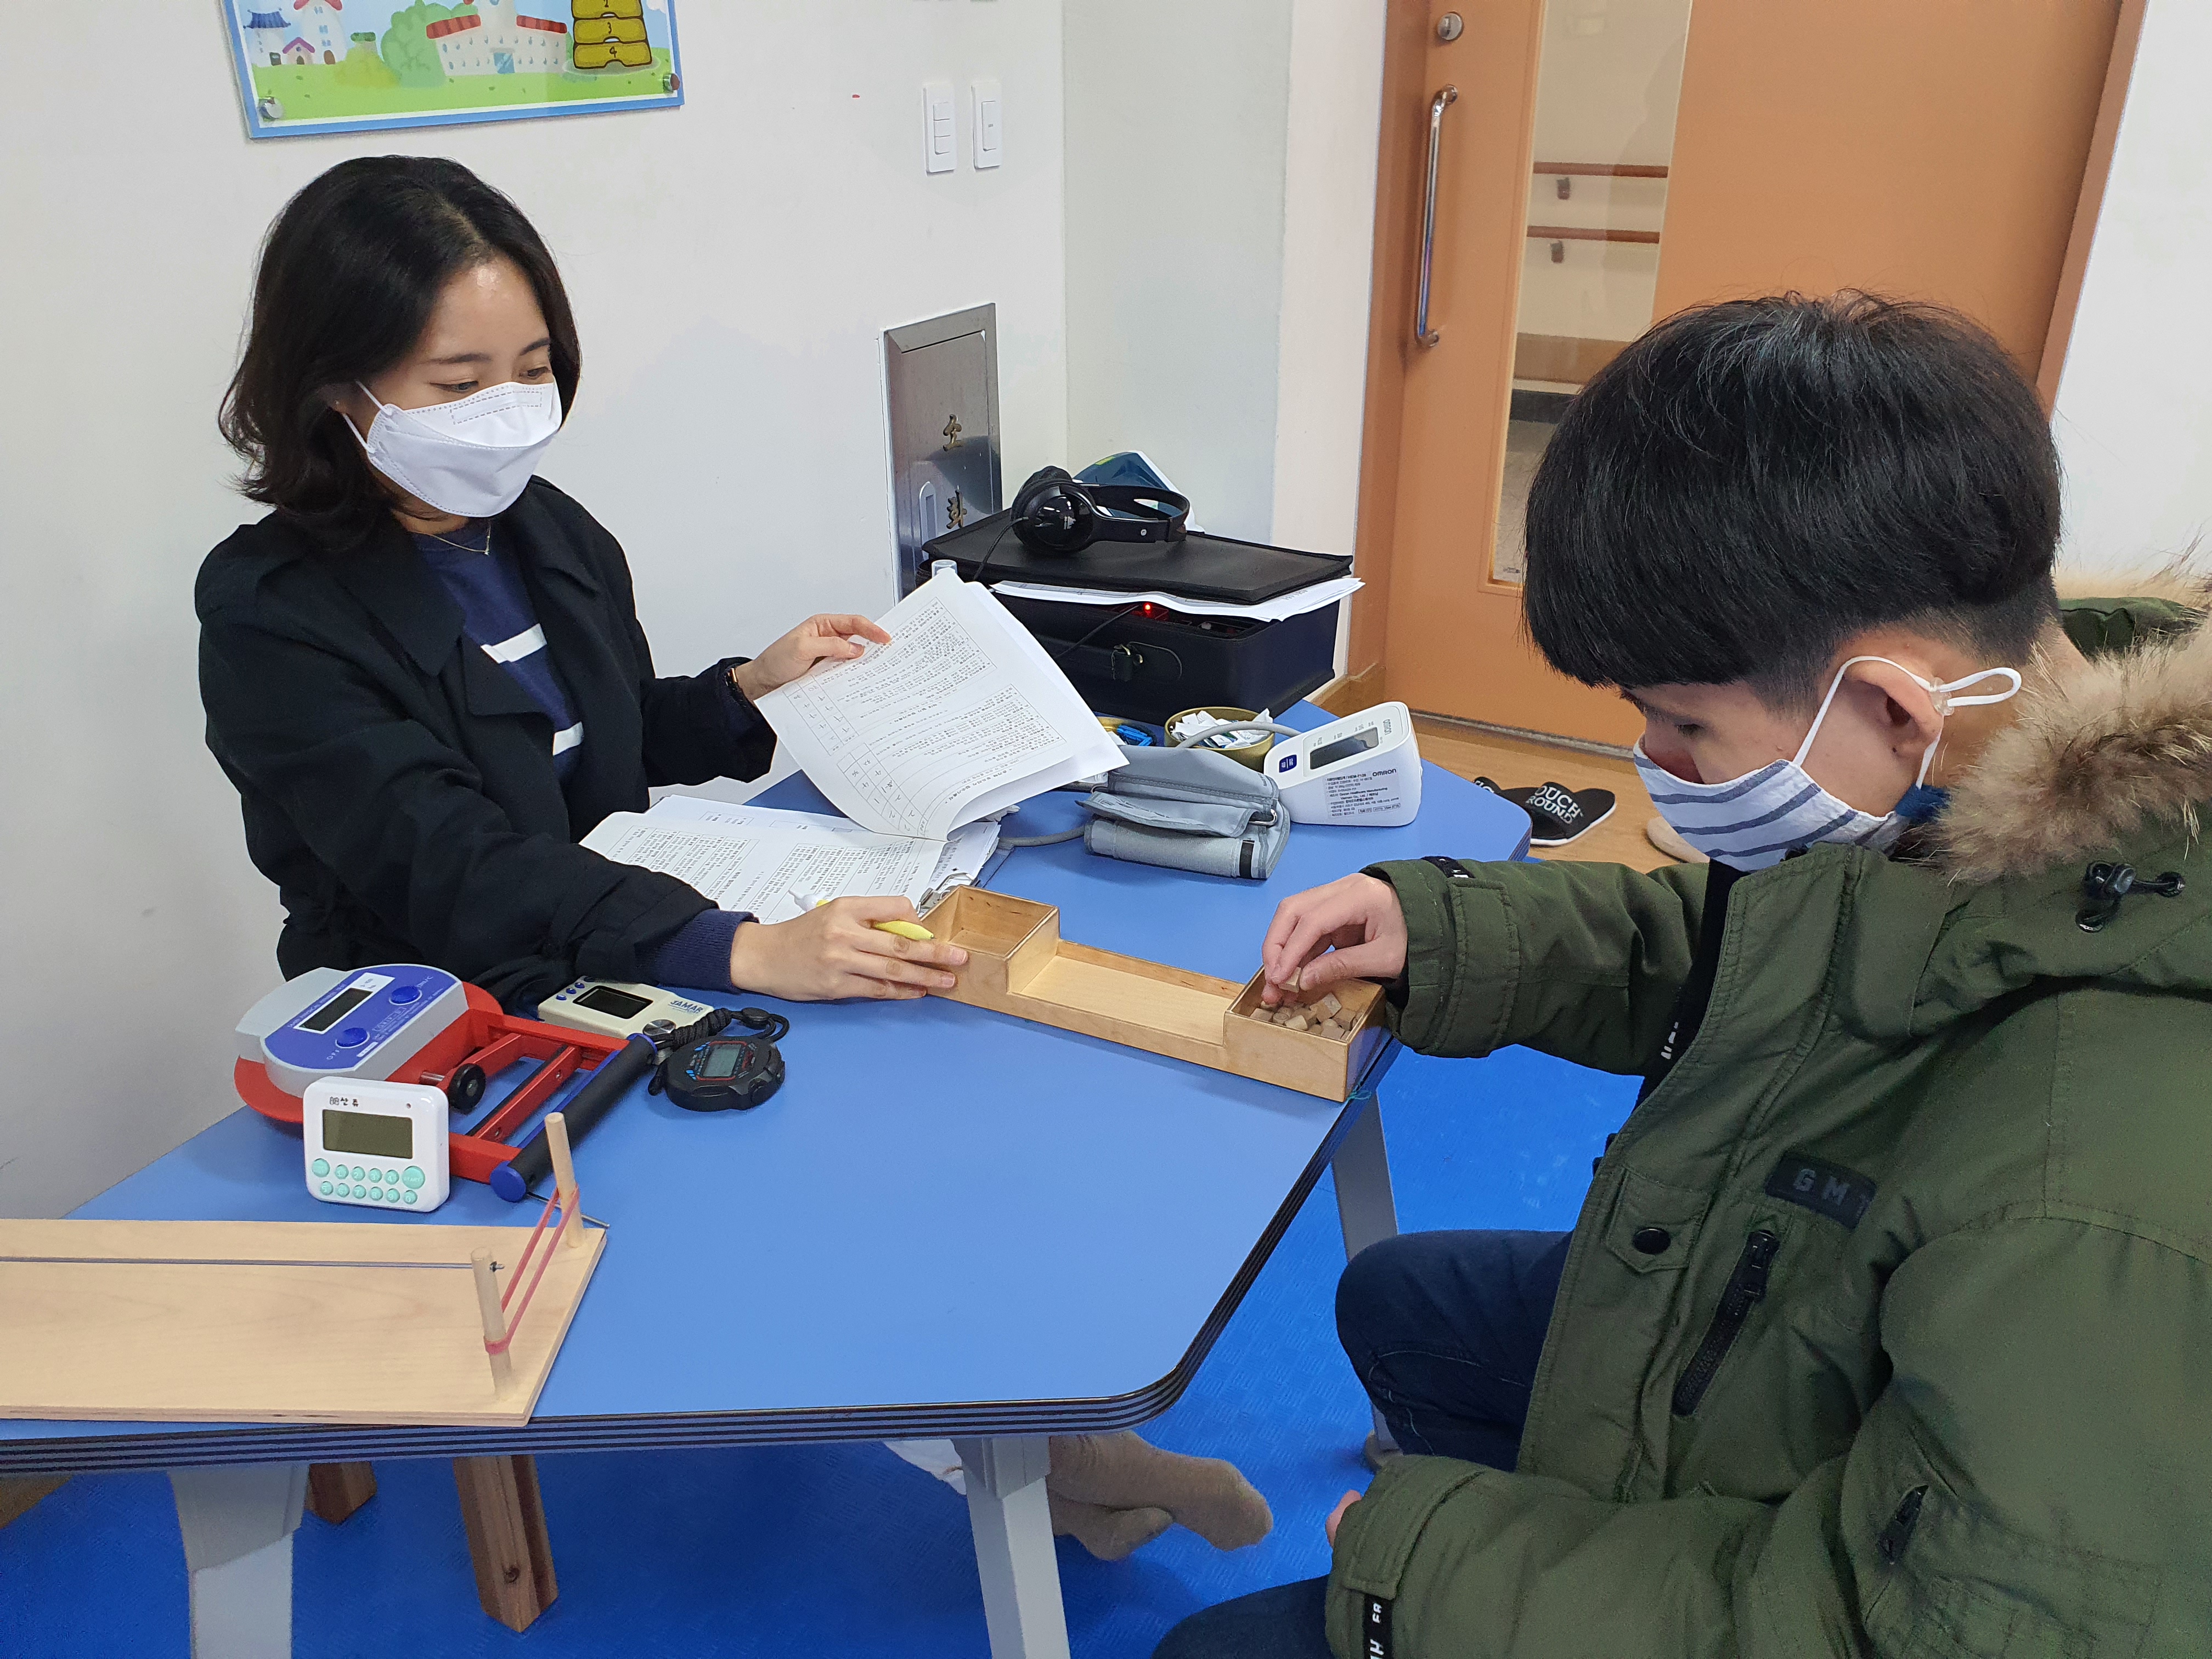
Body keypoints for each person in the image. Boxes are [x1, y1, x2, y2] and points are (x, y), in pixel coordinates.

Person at [201, 154, 1267, 1562]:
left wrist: (751, 690)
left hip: (618, 921)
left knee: (920, 1053)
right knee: (818, 1140)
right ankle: (1031, 1459)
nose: (509, 411)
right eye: (458, 386)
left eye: (533, 367)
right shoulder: (274, 612)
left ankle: (1042, 1447)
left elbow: (600, 743)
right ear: (338, 392)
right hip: (454, 1006)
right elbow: (452, 858)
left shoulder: (547, 533)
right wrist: (739, 947)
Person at [1158, 294, 2212, 1656]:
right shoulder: (1963, 778)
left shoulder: (2097, 1181)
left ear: (1894, 704)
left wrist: (1435, 1567)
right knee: (1401, 1303)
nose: (1653, 765)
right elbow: (1745, 958)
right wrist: (1454, 930)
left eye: (1686, 723)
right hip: (1798, 1310)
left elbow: (1912, 1627)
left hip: (1851, 1537)